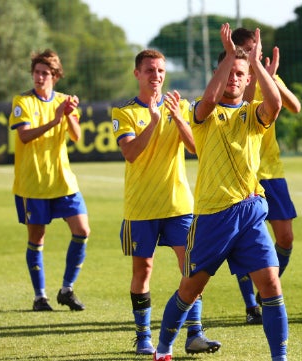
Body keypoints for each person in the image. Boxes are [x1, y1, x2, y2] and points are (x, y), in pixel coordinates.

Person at [154, 23, 288, 361]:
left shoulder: (252, 115)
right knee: (190, 289)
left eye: (239, 73)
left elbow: (275, 104)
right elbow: (210, 100)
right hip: (212, 216)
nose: (234, 77)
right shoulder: (202, 111)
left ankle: (279, 357)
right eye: (228, 70)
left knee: (271, 284)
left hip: (251, 211)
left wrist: (254, 63)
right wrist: (230, 56)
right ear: (220, 71)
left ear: (247, 80)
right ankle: (163, 349)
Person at [111, 49, 220, 355]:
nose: (156, 76)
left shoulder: (180, 106)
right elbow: (131, 153)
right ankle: (143, 336)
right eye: (149, 70)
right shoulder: (124, 112)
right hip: (141, 206)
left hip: (178, 205)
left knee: (193, 268)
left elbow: (196, 148)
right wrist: (155, 121)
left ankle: (195, 334)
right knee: (142, 271)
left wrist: (175, 118)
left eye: (160, 70)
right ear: (137, 74)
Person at [9, 49, 89, 312]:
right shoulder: (23, 102)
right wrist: (55, 119)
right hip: (32, 183)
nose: (39, 77)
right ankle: (39, 297)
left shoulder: (65, 100)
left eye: (45, 73)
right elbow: (24, 136)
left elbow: (77, 136)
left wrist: (66, 115)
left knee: (82, 230)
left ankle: (66, 289)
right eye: (36, 73)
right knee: (37, 237)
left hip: (63, 181)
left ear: (55, 76)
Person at [231, 27, 301, 325]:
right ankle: (251, 306)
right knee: (244, 243)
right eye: (249, 49)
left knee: (285, 238)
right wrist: (257, 75)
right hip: (244, 175)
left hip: (272, 171)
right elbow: (244, 107)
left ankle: (264, 289)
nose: (255, 52)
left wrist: (270, 78)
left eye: (257, 47)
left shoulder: (269, 77)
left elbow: (295, 107)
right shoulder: (234, 80)